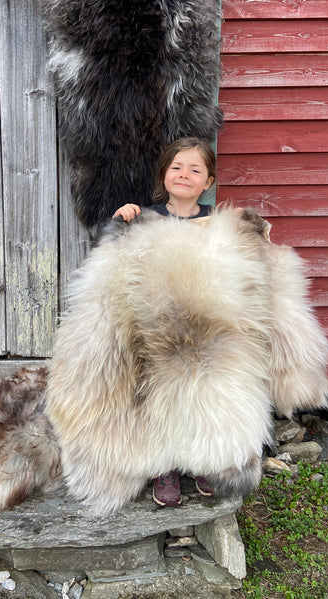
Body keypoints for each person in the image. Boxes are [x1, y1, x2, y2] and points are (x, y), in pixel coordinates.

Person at [113, 136, 217, 508]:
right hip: (157, 326)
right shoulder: (147, 218)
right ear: (164, 174)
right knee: (159, 395)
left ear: (207, 181)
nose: (184, 175)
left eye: (195, 169)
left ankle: (200, 459)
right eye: (177, 167)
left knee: (201, 394)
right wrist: (122, 222)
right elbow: (114, 259)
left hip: (203, 323)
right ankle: (166, 465)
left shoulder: (219, 223)